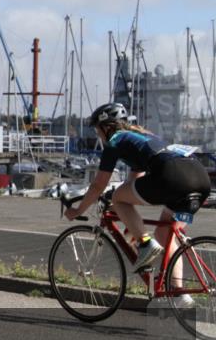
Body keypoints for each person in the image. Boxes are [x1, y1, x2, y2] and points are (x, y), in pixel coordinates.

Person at [66, 102, 211, 273]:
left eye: (98, 131)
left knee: (118, 198)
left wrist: (78, 210)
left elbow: (98, 184)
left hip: (172, 177)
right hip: (200, 179)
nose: (99, 136)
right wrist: (118, 206)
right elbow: (132, 185)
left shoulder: (115, 140)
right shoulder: (141, 138)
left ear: (107, 128)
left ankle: (145, 243)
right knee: (164, 234)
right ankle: (178, 294)